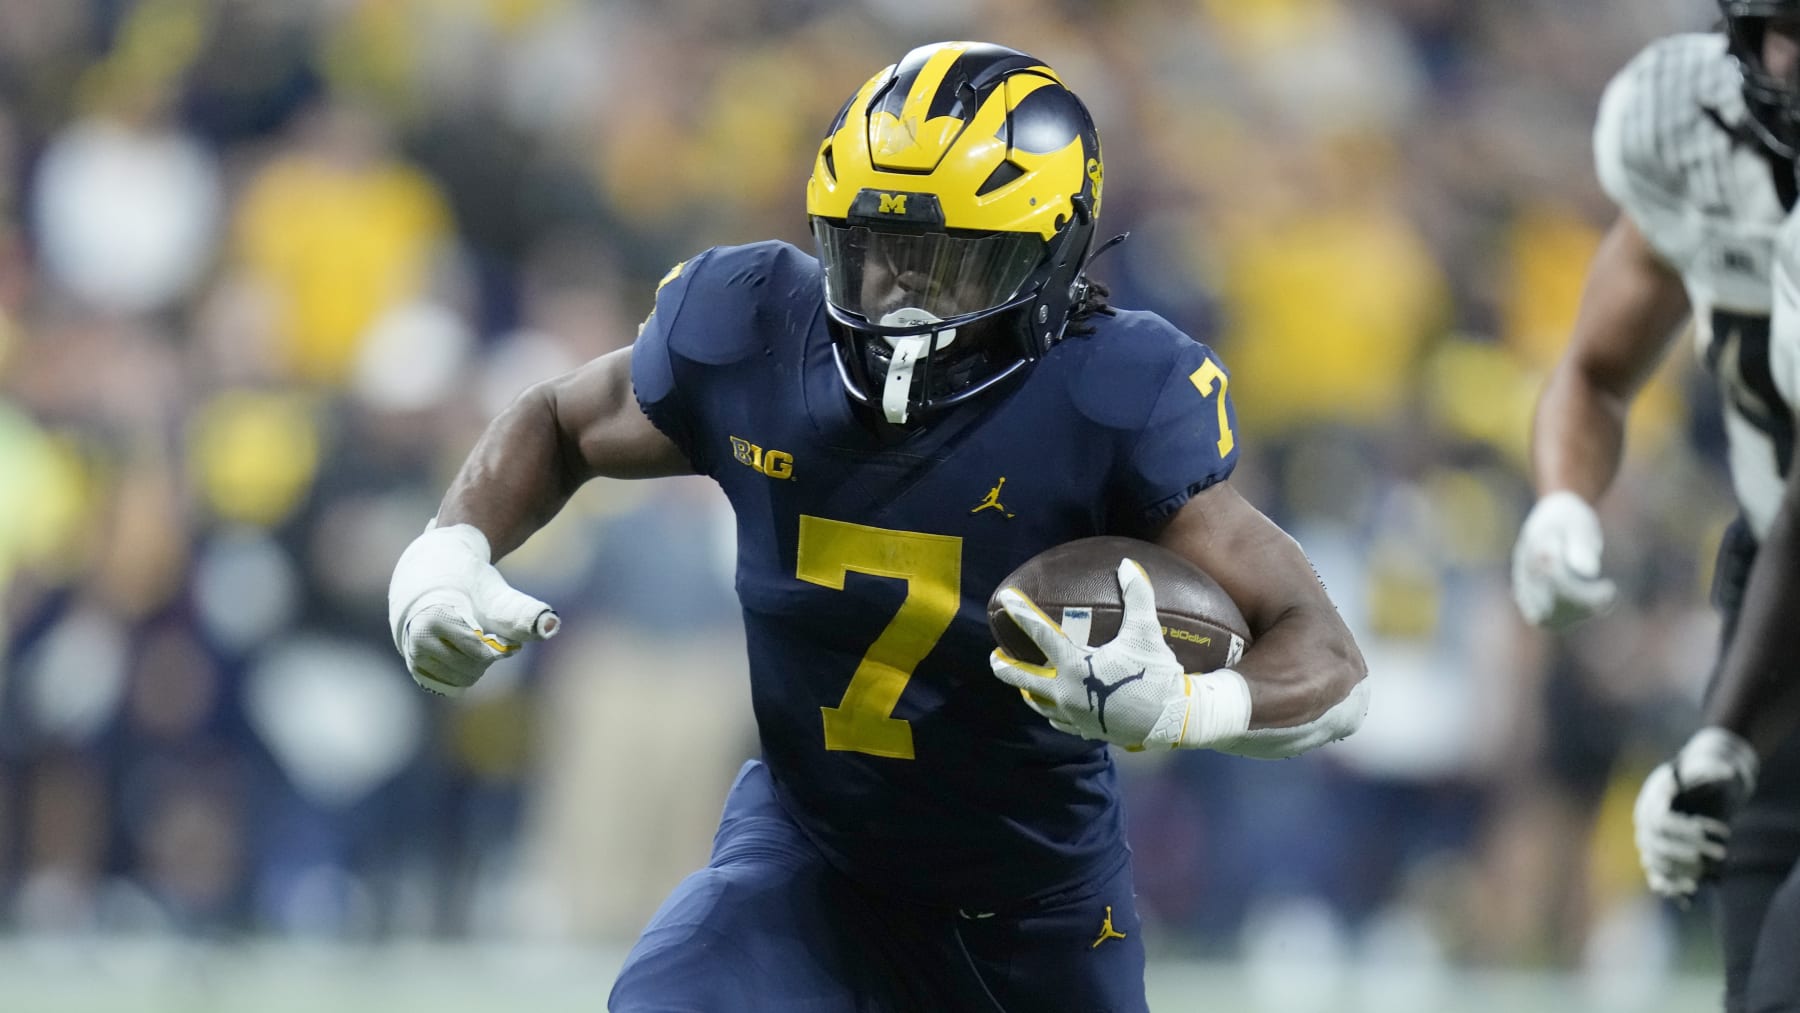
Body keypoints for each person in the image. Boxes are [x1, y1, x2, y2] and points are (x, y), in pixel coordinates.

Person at [388, 41, 1367, 1012]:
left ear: (1052, 252)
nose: (901, 291)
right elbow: (564, 419)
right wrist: (451, 548)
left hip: (1036, 908)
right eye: (876, 248)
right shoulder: (754, 332)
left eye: (950, 261)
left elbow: (1326, 656)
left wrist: (1195, 705)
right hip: (811, 863)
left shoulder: (1110, 396)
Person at [1509, 4, 1800, 1009]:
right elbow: (1592, 369)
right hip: (1775, 584)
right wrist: (1563, 504)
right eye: (1780, 28)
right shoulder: (1690, 122)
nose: (1787, 62)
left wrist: (1720, 730)